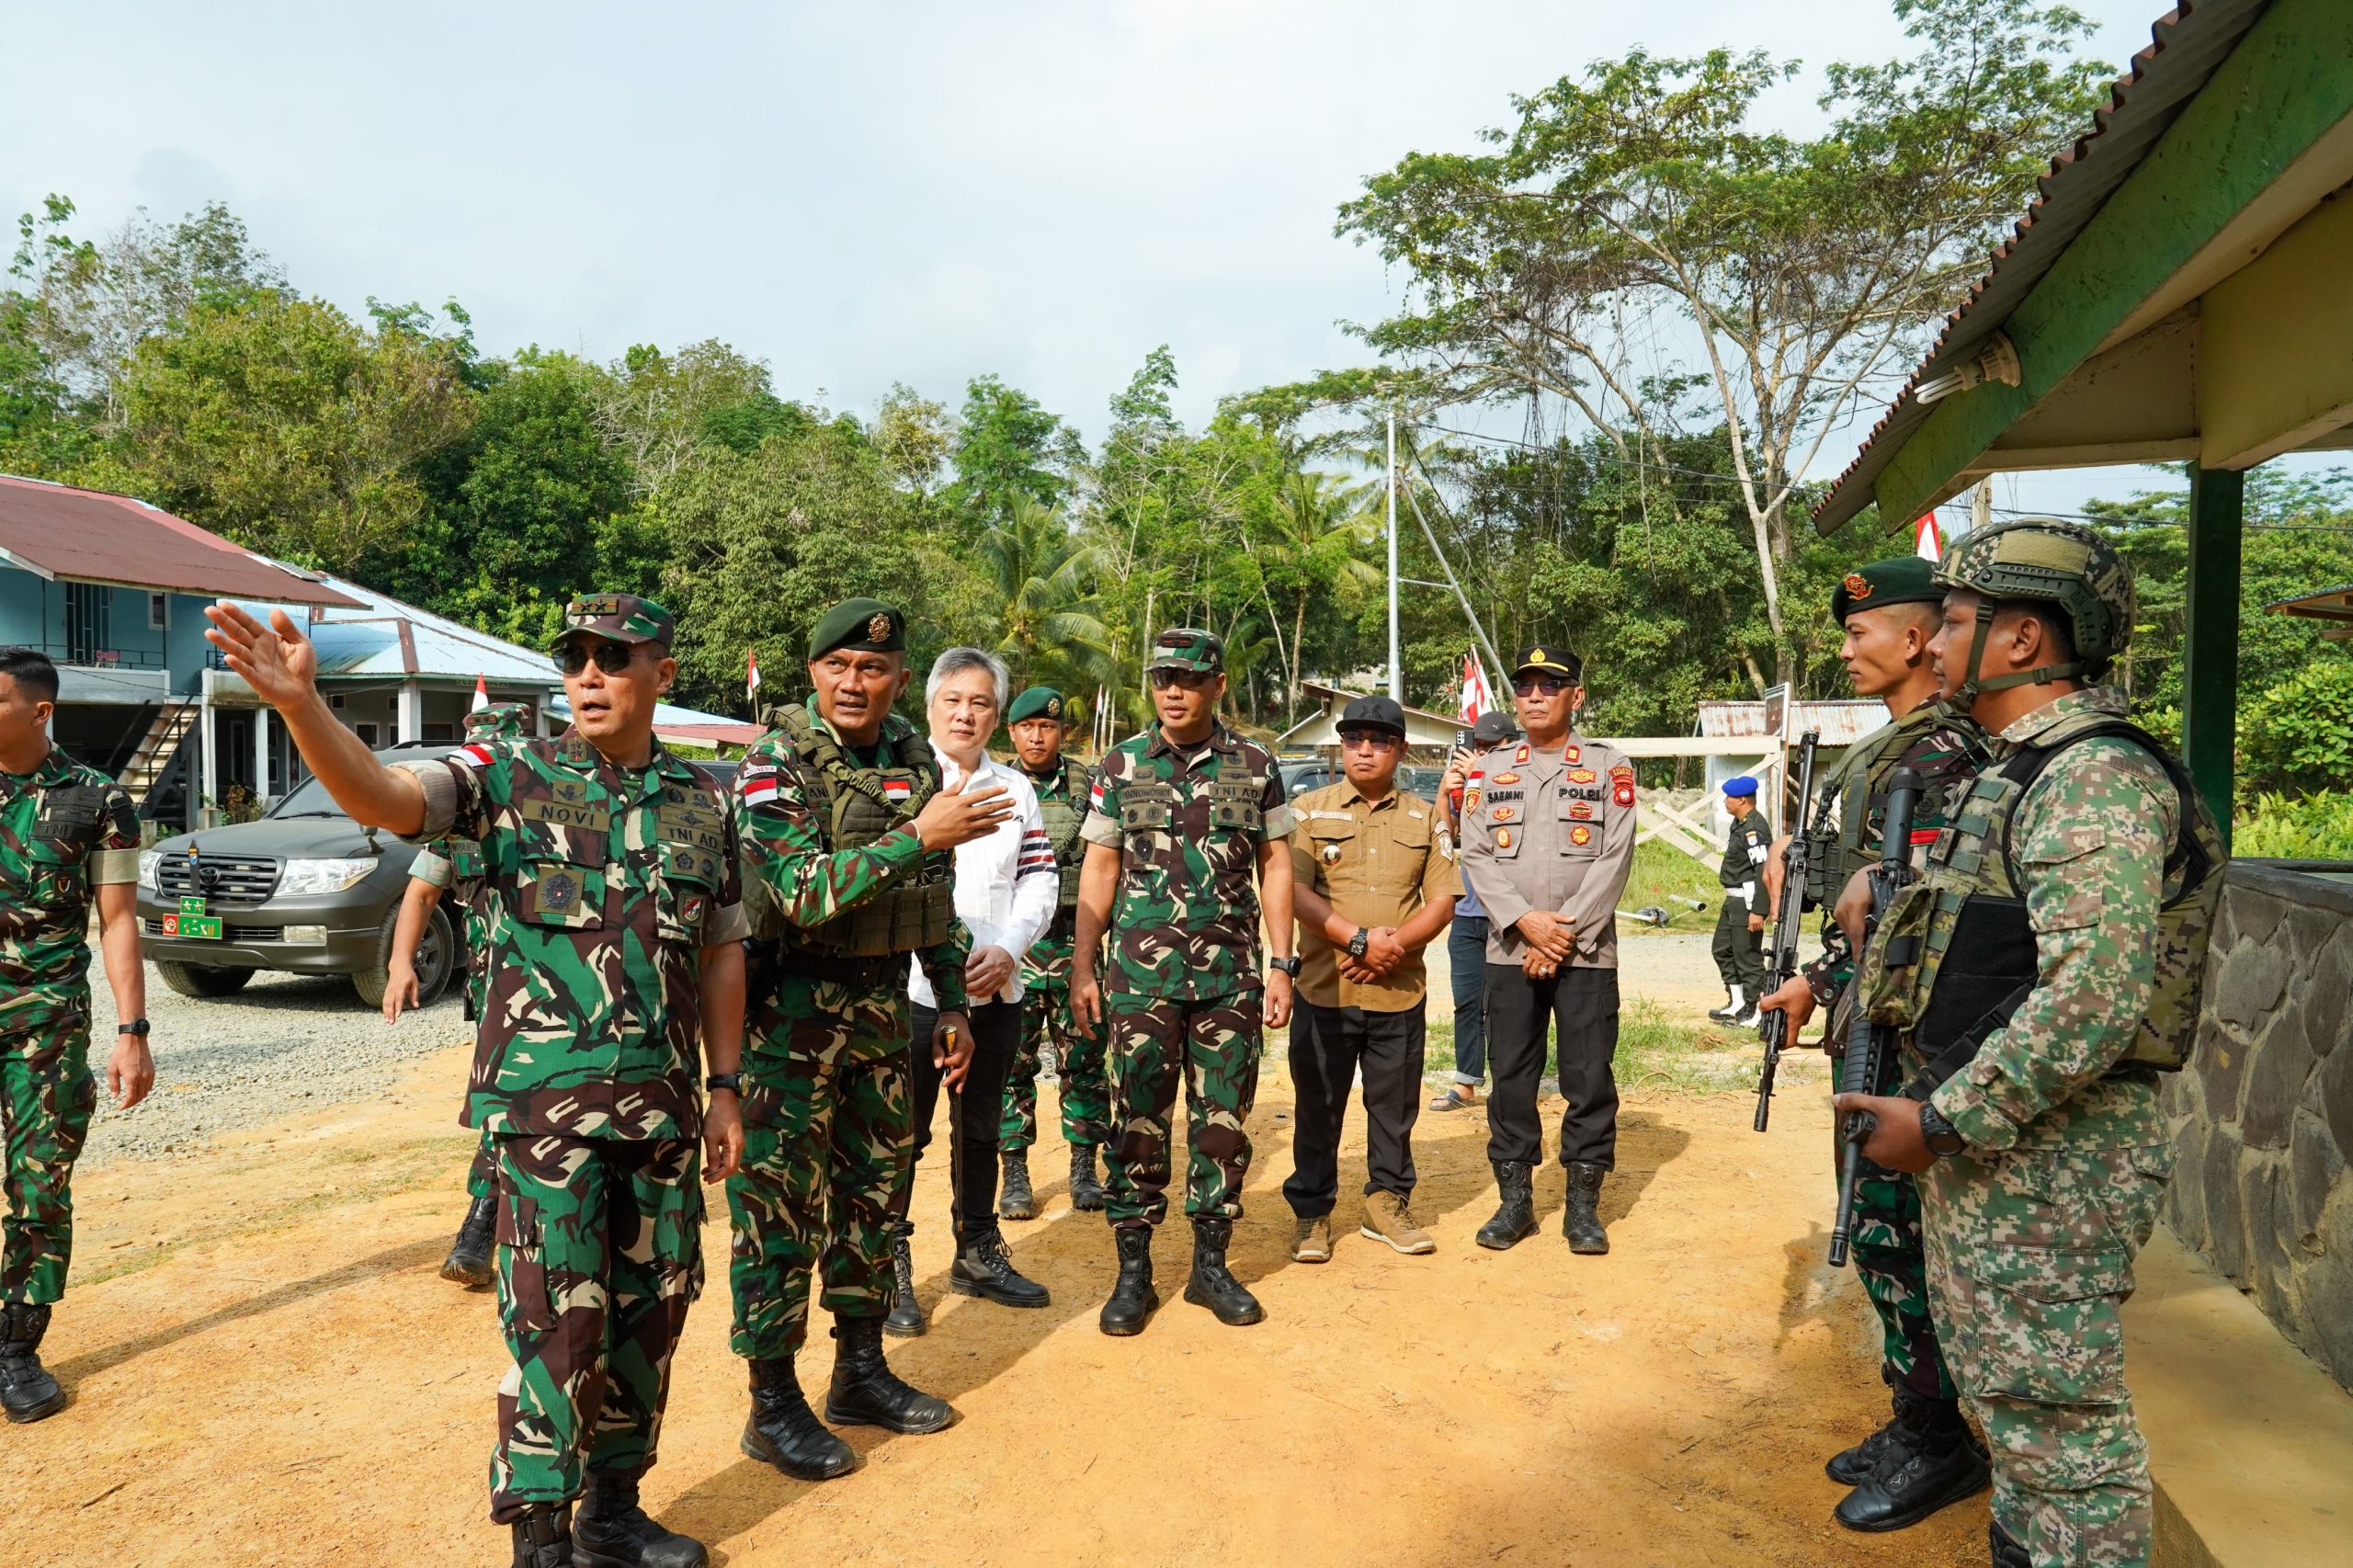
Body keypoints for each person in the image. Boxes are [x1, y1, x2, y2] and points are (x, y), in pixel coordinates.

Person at [205, 594, 743, 1568]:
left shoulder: (705, 801)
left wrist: (730, 1086)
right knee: (555, 1315)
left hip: (660, 1109)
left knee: (651, 1310)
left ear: (661, 671)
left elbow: (720, 953)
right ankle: (540, 1533)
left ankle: (613, 1509)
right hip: (543, 1116)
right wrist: (301, 708)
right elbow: (386, 797)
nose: (588, 673)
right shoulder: (511, 777)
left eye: (613, 658)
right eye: (575, 655)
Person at [1833, 519, 2224, 1568]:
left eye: (1954, 618)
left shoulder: (2091, 774)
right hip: (2009, 1152)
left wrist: (1945, 1118)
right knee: (2016, 1412)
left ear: (2016, 641)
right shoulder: (2028, 767)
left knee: (2059, 1434)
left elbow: (2094, 995)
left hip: (2053, 1159)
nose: (1936, 638)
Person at [727, 599, 1010, 1483]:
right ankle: (772, 1405)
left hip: (885, 1022)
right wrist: (919, 833)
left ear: (898, 681)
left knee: (873, 1204)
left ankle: (858, 1372)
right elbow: (803, 892)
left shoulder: (910, 758)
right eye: (840, 666)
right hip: (787, 1030)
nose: (856, 683)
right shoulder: (774, 763)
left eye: (875, 669)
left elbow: (931, 893)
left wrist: (956, 1002)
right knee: (778, 1218)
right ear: (812, 672)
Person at [1755, 556, 1991, 1534]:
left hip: (1913, 1035)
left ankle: (1941, 1438)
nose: (1846, 647)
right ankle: (1917, 1415)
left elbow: (1915, 926)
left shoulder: (1939, 752)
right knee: (1887, 1236)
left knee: (1896, 1231)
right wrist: (1819, 979)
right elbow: (1870, 913)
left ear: (1917, 636)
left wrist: (1839, 980)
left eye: (1862, 632)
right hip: (1877, 1019)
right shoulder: (1896, 746)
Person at [1071, 627, 1295, 1335]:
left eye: (1190, 679)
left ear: (1218, 685)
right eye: (1164, 677)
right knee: (1137, 1123)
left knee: (1222, 1125)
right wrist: (1083, 963)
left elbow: (1277, 865)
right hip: (1139, 979)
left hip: (1230, 978)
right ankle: (1133, 1272)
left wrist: (1282, 963)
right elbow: (1100, 869)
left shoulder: (1255, 763)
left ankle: (1210, 1266)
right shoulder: (1121, 764)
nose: (1174, 690)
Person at [885, 648, 1057, 1335]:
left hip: (996, 991)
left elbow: (1039, 878)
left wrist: (1010, 947)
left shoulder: (1016, 789)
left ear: (997, 715)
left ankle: (977, 1250)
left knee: (981, 1129)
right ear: (929, 704)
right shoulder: (900, 783)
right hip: (913, 995)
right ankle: (889, 1262)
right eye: (954, 699)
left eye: (980, 702)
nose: (965, 713)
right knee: (900, 1137)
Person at [0, 647, 152, 1425]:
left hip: (45, 1017)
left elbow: (118, 920)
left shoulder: (96, 800)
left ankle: (17, 1346)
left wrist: (133, 1031)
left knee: (38, 1182)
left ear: (40, 710)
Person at [1457, 644, 1638, 1256]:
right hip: (1511, 951)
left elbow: (1616, 857)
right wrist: (1526, 924)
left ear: (1575, 697)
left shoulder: (1610, 768)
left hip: (1586, 952)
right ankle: (1515, 1203)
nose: (1534, 696)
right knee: (1510, 1077)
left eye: (1549, 686)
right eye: (1526, 686)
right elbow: (1476, 853)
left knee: (1588, 1078)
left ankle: (1583, 1208)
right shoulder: (1487, 770)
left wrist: (1560, 935)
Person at [1283, 695, 1458, 1262]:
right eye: (1355, 739)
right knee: (1319, 1106)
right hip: (1324, 988)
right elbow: (1295, 893)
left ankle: (1386, 1203)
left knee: (1394, 1108)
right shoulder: (1307, 811)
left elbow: (1442, 901)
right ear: (1342, 745)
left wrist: (1392, 947)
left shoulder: (1427, 816)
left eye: (1379, 741)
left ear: (1400, 750)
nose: (1365, 749)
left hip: (1398, 991)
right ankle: (1313, 1215)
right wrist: (1358, 940)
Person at [382, 700, 533, 1290]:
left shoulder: (546, 809)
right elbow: (419, 893)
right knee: (506, 1107)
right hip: (495, 988)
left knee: (512, 1108)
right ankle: (486, 1226)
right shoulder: (462, 824)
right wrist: (400, 965)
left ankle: (479, 1227)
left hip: (548, 989)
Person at [995, 685, 1108, 1218]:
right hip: (1012, 950)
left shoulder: (1090, 785)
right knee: (1010, 1065)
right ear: (1011, 733)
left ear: (1063, 732)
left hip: (1073, 946)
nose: (1037, 736)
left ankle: (1084, 1168)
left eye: (1048, 726)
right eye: (1027, 727)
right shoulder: (994, 786)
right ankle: (1014, 1172)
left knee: (1083, 1060)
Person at [1431, 710, 1518, 1112]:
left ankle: (1510, 1083)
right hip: (1468, 910)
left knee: (1508, 1004)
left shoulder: (1521, 782)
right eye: (1478, 746)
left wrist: (1484, 774)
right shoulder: (1467, 785)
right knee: (1467, 999)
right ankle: (1466, 1082)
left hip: (1511, 912)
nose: (1480, 754)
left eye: (1492, 747)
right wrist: (1444, 791)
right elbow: (1443, 837)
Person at [1706, 778, 1770, 1026]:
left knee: (1748, 957)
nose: (1725, 801)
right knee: (1722, 950)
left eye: (1728, 798)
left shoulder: (1754, 829)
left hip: (1747, 901)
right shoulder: (1740, 824)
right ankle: (1738, 1002)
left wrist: (1758, 911)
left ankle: (1759, 1012)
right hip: (1733, 899)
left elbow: (1763, 871)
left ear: (1742, 800)